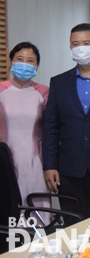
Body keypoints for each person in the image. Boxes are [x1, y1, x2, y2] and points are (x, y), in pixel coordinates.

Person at [42, 23, 90, 222]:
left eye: (86, 43)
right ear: (70, 48)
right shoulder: (58, 82)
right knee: (73, 227)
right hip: (69, 171)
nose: (80, 48)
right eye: (75, 44)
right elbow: (51, 127)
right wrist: (49, 165)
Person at [0, 42, 50, 217]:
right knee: (8, 213)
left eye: (30, 60)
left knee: (37, 213)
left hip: (35, 163)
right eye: (20, 59)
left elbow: (51, 129)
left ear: (36, 66)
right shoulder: (1, 89)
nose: (25, 63)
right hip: (5, 161)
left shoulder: (44, 92)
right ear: (11, 61)